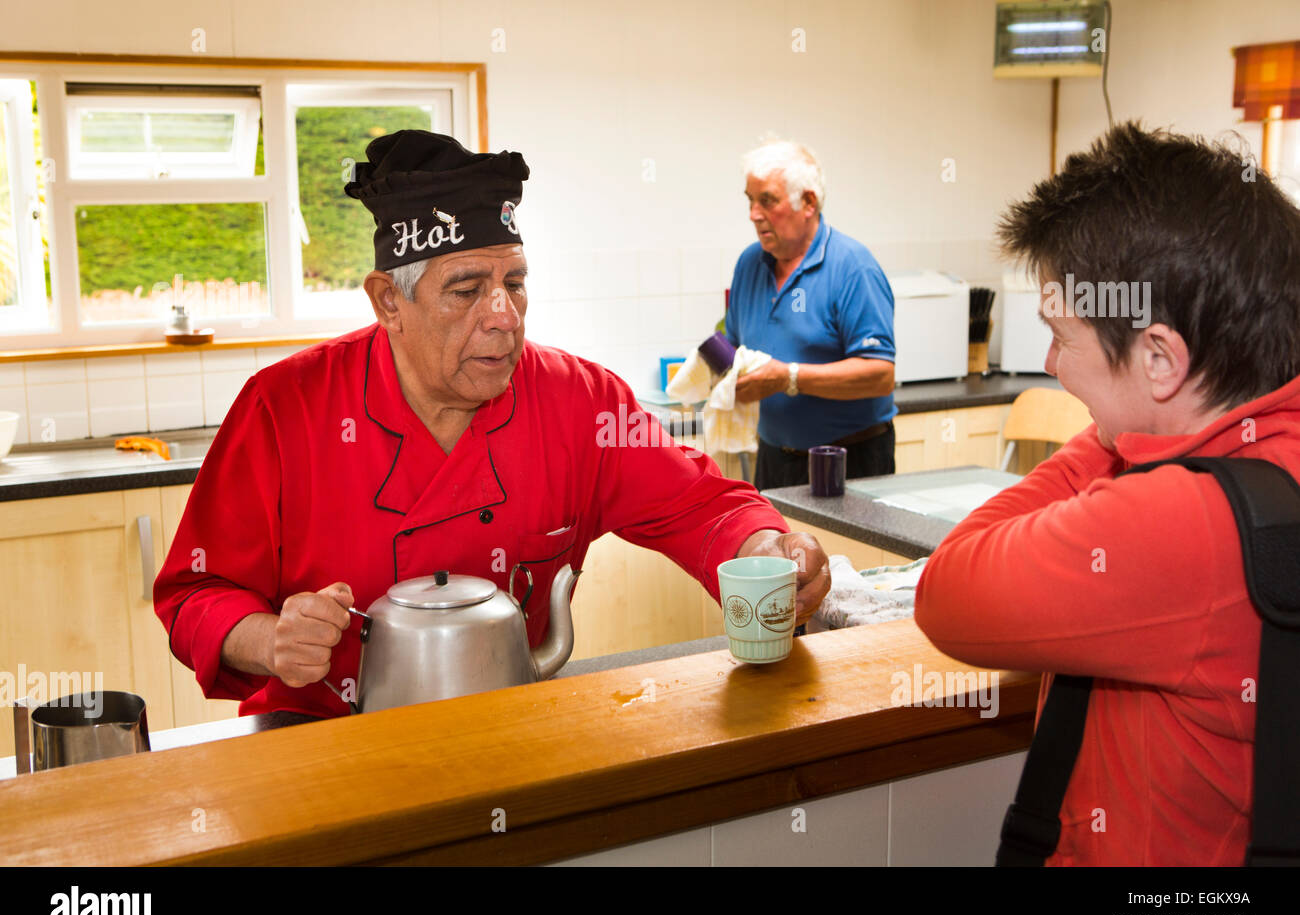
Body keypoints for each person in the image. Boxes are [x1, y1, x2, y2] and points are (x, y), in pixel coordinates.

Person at [153, 130, 830, 719]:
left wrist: (765, 549)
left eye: (516, 282)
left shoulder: (579, 401)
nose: (504, 315)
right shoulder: (285, 408)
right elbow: (196, 592)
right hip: (319, 745)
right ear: (390, 300)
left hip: (514, 737)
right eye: (467, 289)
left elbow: (702, 507)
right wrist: (268, 638)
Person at [914, 122, 1300, 865]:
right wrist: (1142, 421)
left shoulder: (1180, 519)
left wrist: (1115, 433)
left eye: (1062, 336)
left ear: (1160, 358)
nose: (1052, 363)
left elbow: (948, 590)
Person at [725, 139, 897, 492]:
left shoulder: (853, 267)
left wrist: (789, 377)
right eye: (750, 200)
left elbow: (880, 374)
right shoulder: (749, 264)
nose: (754, 214)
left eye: (767, 201)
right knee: (775, 549)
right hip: (774, 457)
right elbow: (733, 348)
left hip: (851, 459)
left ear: (808, 202)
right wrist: (716, 375)